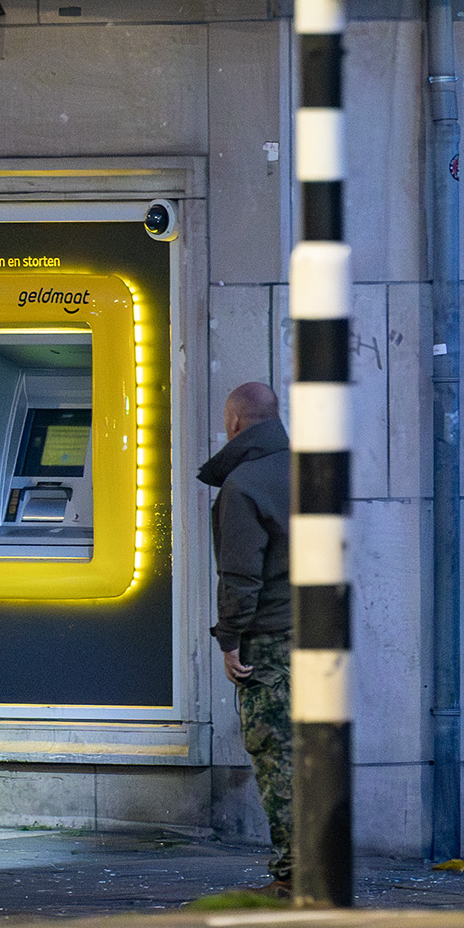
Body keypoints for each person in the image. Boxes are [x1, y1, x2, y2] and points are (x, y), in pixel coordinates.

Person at [198, 381, 293, 898]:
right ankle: (321, 866)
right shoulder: (311, 471)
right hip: (318, 634)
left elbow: (240, 574)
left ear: (233, 423)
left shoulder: (243, 485)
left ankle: (293, 875)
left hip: (270, 638)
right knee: (315, 753)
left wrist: (229, 639)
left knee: (277, 755)